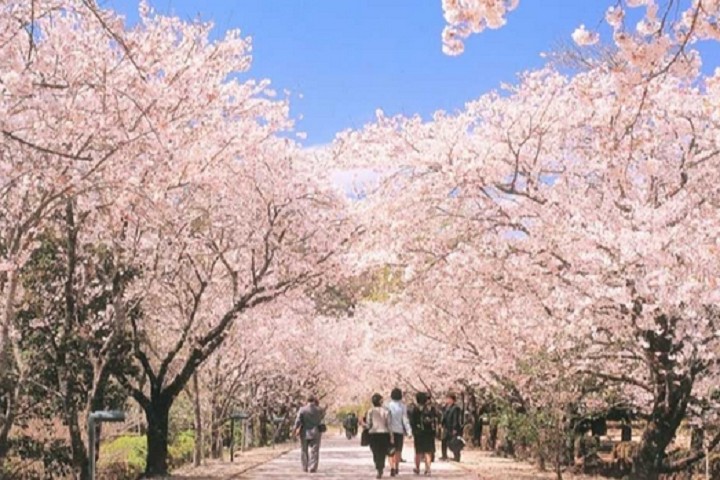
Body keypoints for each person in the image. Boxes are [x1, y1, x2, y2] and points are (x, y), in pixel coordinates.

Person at [293, 395, 324, 473]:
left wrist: (295, 429)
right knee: (315, 450)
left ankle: (305, 466)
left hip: (304, 432)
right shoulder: (319, 410)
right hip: (316, 432)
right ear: (314, 400)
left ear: (306, 401)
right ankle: (313, 467)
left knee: (304, 450)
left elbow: (298, 421)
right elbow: (321, 419)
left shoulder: (302, 410)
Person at [366, 393, 394, 479]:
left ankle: (378, 467)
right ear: (381, 401)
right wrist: (391, 436)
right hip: (384, 434)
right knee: (382, 452)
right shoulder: (386, 411)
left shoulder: (370, 411)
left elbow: (368, 424)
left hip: (373, 434)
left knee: (375, 452)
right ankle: (380, 467)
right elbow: (389, 424)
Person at [386, 388, 412, 477]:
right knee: (398, 450)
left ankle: (391, 467)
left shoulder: (388, 406)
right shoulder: (403, 406)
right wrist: (409, 431)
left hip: (390, 431)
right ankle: (397, 466)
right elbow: (405, 419)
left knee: (390, 450)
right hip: (399, 431)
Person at [411, 391, 438, 476]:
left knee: (418, 451)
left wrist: (413, 430)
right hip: (429, 432)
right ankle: (428, 468)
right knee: (428, 451)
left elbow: (412, 421)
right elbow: (436, 419)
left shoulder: (415, 409)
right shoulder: (431, 409)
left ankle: (417, 468)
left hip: (418, 432)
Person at [441, 393, 463, 462]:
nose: (447, 400)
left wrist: (455, 428)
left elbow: (455, 418)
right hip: (446, 427)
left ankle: (457, 457)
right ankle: (444, 455)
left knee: (454, 442)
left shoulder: (456, 408)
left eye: (449, 398)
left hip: (452, 427)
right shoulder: (446, 407)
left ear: (452, 400)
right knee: (444, 441)